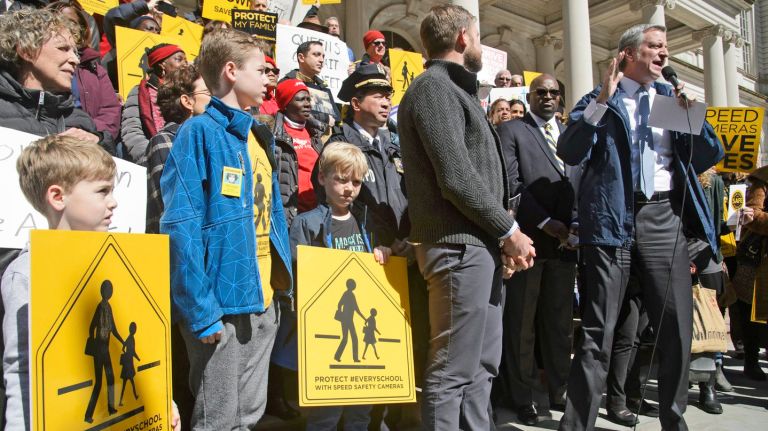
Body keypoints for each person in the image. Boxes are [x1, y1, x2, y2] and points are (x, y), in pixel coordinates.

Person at [556, 23, 724, 431]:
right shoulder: (600, 100)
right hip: (613, 218)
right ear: (628, 54)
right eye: (655, 46)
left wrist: (695, 118)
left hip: (663, 217)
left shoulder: (671, 100)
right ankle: (577, 425)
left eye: (665, 47)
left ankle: (674, 420)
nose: (664, 53)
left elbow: (709, 155)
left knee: (677, 329)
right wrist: (601, 99)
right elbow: (570, 149)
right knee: (599, 333)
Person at [397, 5, 535, 429]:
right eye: (477, 36)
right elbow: (455, 177)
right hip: (458, 249)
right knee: (453, 372)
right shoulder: (433, 88)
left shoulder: (457, 91)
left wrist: (500, 240)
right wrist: (508, 231)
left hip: (478, 248)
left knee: (481, 370)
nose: (480, 45)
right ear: (462, 38)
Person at [159, 29, 292, 430]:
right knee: (218, 420)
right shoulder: (198, 132)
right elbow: (180, 224)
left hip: (264, 300)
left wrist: (279, 293)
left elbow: (273, 217)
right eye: (261, 69)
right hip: (221, 306)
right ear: (231, 71)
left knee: (248, 417)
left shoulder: (257, 135)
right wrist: (201, 312)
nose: (269, 78)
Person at [2, 135, 117, 430]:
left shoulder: (115, 262)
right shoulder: (26, 273)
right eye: (102, 191)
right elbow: (22, 371)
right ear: (57, 197)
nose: (113, 202)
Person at [0, 8, 115, 278]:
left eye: (75, 51)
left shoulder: (78, 119)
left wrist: (97, 141)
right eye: (63, 49)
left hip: (65, 268)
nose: (74, 60)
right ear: (26, 51)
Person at [290, 141, 392, 431]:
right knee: (325, 414)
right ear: (322, 178)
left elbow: (381, 270)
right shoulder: (306, 223)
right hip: (323, 331)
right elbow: (297, 274)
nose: (349, 188)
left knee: (361, 412)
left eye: (356, 182)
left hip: (360, 335)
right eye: (341, 179)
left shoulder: (369, 223)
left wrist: (384, 252)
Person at [497, 74, 580, 425]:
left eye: (553, 93)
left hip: (566, 246)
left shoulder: (571, 134)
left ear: (561, 98)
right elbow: (512, 184)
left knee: (560, 324)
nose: (547, 97)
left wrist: (575, 224)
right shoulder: (512, 131)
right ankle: (524, 396)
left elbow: (581, 180)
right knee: (522, 325)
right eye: (540, 92)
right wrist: (547, 223)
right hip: (528, 243)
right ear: (529, 96)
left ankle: (560, 390)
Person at [145, 64, 210, 234]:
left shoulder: (213, 139)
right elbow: (170, 209)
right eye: (208, 92)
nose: (216, 99)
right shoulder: (165, 140)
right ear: (187, 101)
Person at [121, 43, 187, 165]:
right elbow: (132, 130)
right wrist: (152, 158)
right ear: (162, 64)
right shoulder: (139, 92)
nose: (185, 64)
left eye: (186, 60)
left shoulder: (190, 92)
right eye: (179, 59)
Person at [282, 41, 341, 127]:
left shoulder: (323, 87)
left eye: (323, 56)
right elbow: (287, 114)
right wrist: (324, 118)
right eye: (316, 54)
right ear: (301, 58)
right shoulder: (286, 84)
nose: (321, 60)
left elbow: (335, 120)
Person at [118, 322, 140, 406]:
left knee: (128, 382)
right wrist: (137, 358)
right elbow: (133, 351)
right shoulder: (131, 338)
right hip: (129, 363)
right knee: (129, 381)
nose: (134, 330)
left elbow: (123, 348)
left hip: (127, 362)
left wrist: (126, 353)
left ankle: (134, 396)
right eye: (134, 328)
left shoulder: (129, 338)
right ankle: (134, 396)